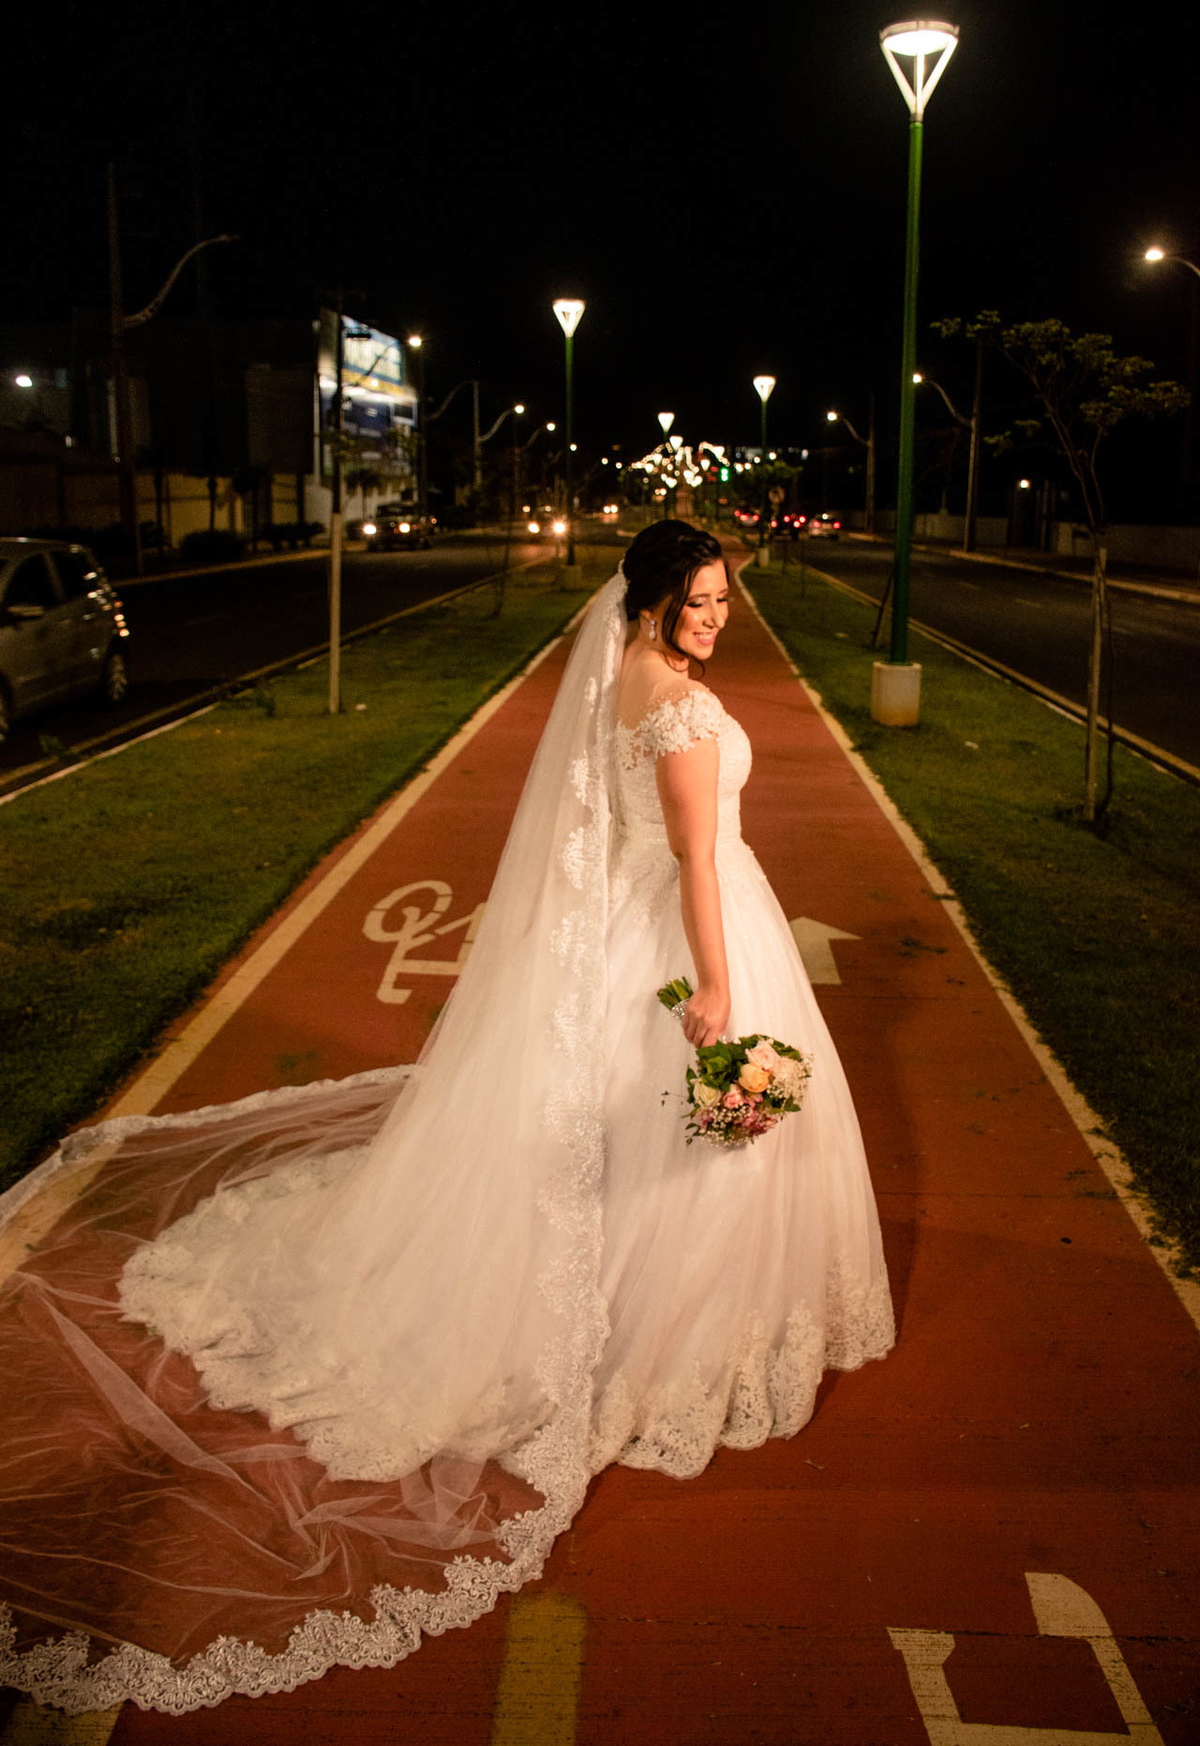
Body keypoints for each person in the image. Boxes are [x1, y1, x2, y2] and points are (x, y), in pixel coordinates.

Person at [0, 521, 893, 1716]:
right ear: (652, 600)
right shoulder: (676, 712)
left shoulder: (632, 682)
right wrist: (718, 987)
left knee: (616, 1132)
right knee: (685, 1135)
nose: (714, 617)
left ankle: (634, 1291)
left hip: (643, 927)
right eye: (697, 601)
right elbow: (689, 858)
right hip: (694, 930)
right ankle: (656, 1329)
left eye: (724, 600)